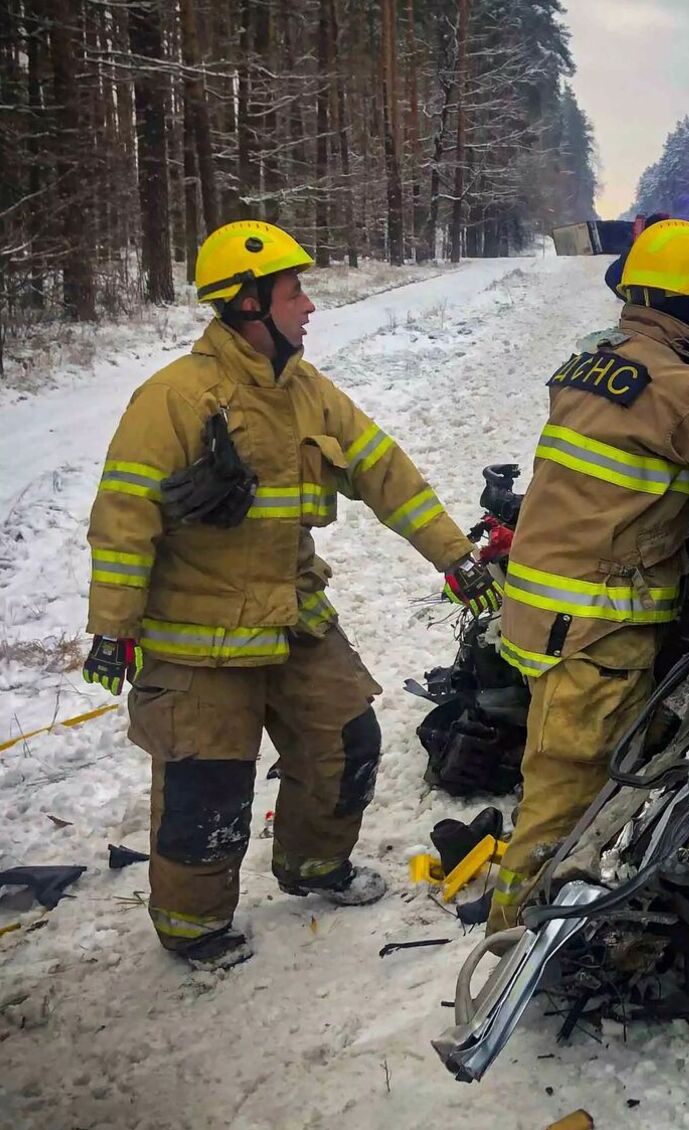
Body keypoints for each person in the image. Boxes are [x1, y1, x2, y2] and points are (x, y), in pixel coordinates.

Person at [81, 220, 500, 971]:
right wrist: (112, 628)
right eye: (293, 291)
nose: (308, 305)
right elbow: (122, 518)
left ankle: (312, 867)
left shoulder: (305, 391)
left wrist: (455, 557)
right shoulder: (174, 398)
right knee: (206, 788)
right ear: (247, 304)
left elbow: (385, 472)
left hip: (293, 618)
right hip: (197, 638)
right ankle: (192, 927)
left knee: (347, 741)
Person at [489, 219, 689, 931]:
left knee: (560, 771)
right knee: (565, 799)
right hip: (597, 627)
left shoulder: (593, 360)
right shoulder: (681, 388)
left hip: (543, 608)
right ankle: (519, 949)